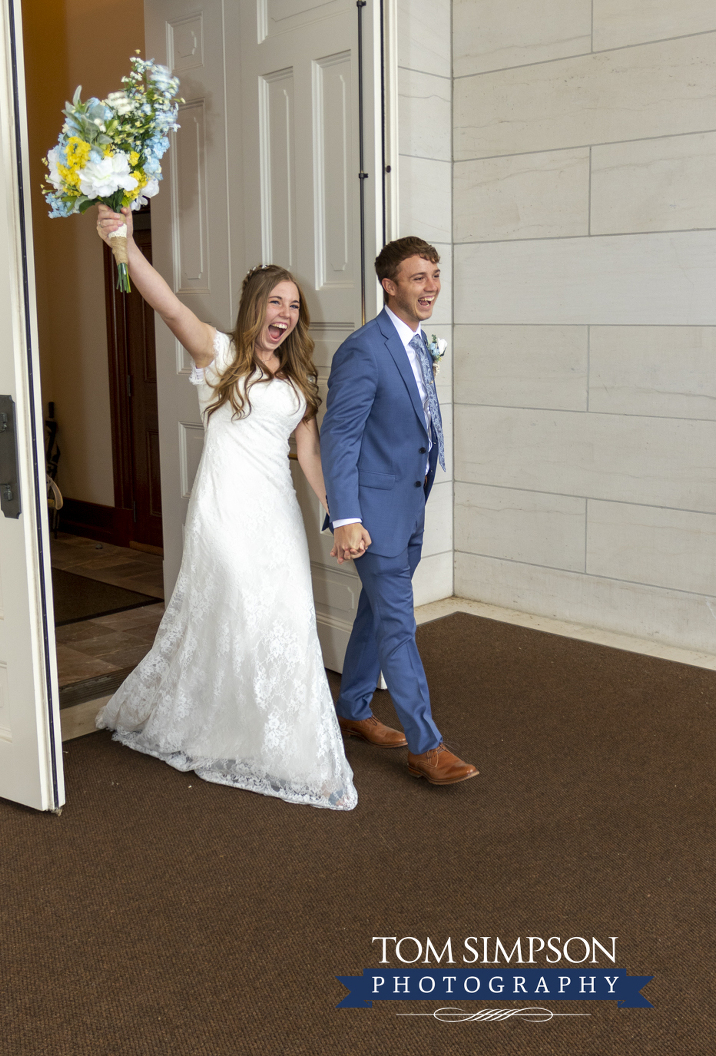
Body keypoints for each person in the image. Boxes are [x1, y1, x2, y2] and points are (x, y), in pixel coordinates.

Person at [94, 204, 357, 811]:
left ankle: (280, 740)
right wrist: (125, 246)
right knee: (238, 605)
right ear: (255, 305)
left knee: (284, 616)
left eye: (294, 307)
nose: (286, 316)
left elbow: (310, 457)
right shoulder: (218, 354)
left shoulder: (298, 380)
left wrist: (341, 516)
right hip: (224, 511)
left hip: (275, 515)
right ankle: (224, 729)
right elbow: (167, 305)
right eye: (276, 303)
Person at [320, 236, 479, 786]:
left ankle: (354, 707)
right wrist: (346, 518)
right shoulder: (364, 349)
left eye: (435, 274)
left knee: (375, 610)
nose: (431, 286)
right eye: (418, 277)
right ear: (390, 285)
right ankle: (425, 746)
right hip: (371, 515)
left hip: (410, 505)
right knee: (397, 623)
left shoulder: (419, 344)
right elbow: (338, 439)